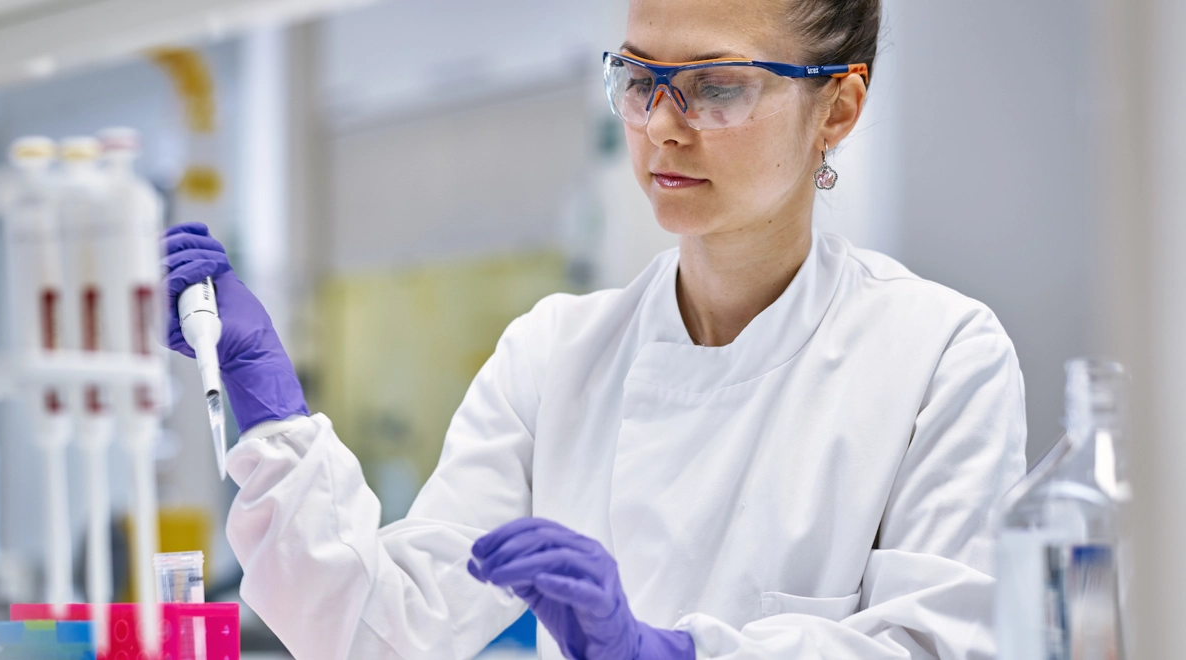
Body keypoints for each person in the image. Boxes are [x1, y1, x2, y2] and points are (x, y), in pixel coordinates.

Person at [161, 0, 1027, 657]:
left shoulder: (939, 356)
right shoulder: (554, 355)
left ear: (836, 109)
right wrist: (269, 404)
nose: (659, 125)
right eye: (639, 79)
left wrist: (671, 653)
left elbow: (937, 646)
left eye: (714, 87)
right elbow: (381, 628)